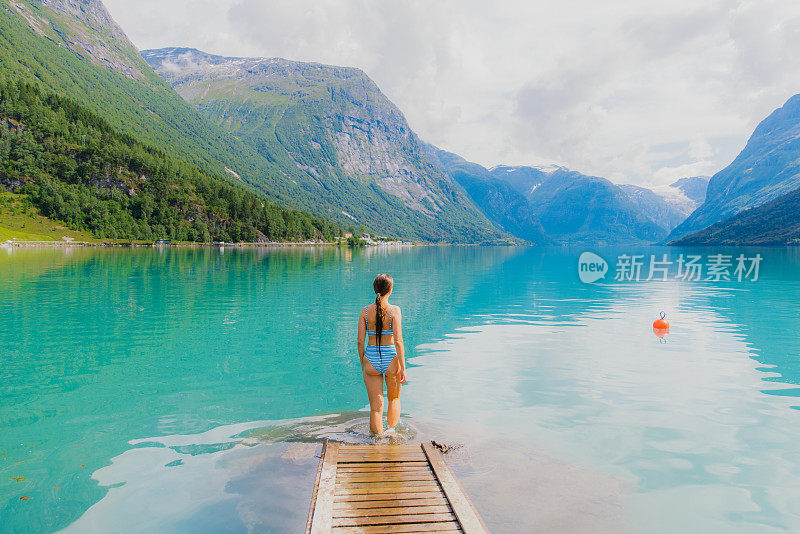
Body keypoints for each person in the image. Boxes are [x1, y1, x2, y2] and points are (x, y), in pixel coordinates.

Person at [357, 273, 407, 435]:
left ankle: (377, 442)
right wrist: (403, 368)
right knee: (394, 399)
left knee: (375, 408)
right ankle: (391, 435)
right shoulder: (394, 311)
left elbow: (359, 341)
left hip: (370, 358)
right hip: (391, 358)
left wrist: (363, 362)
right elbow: (398, 341)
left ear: (374, 289)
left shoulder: (365, 312)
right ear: (390, 290)